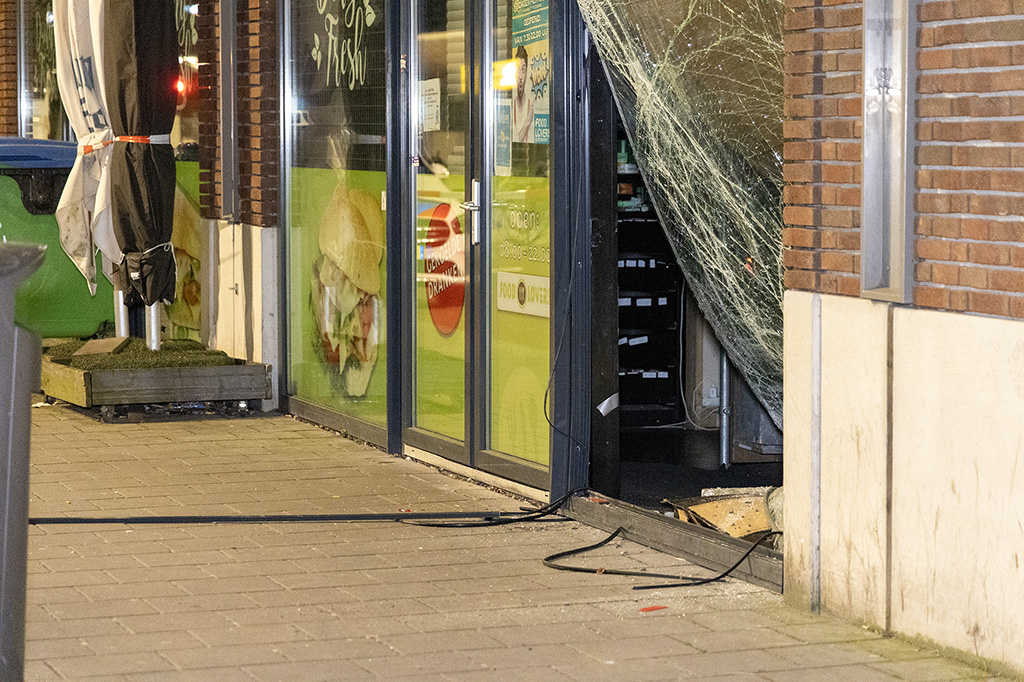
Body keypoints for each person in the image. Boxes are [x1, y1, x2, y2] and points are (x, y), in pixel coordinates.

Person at [512, 45, 533, 143]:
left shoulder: (531, 106)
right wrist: (527, 122)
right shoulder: (511, 107)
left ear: (526, 73)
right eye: (517, 69)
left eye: (523, 70)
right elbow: (515, 140)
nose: (520, 76)